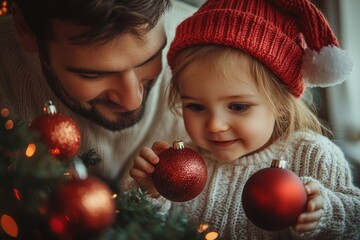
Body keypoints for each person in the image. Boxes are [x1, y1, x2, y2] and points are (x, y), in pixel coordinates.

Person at [129, 0, 360, 239]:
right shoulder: (184, 168)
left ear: (281, 103)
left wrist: (326, 211)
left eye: (238, 106)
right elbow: (150, 230)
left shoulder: (313, 155)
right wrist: (151, 193)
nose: (215, 125)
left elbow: (355, 218)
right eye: (196, 106)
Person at [0, 0, 197, 190]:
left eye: (151, 59)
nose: (132, 101)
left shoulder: (200, 51)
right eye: (92, 75)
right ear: (25, 29)